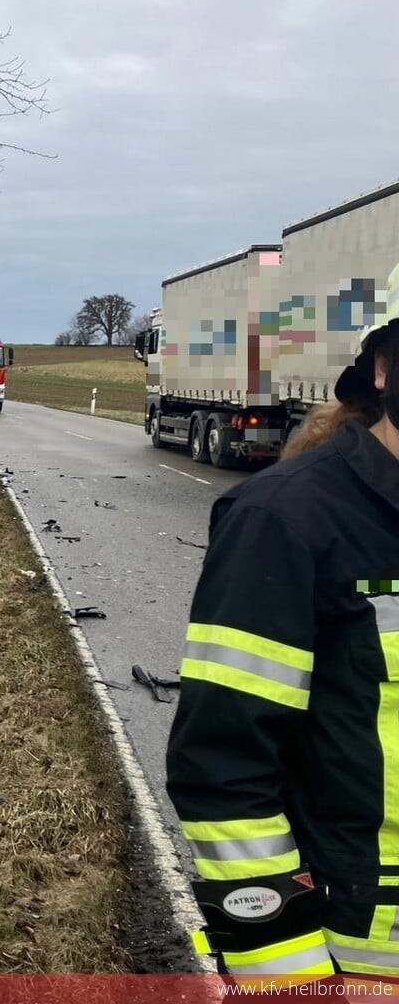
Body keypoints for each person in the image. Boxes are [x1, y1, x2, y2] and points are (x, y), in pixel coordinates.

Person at [166, 313, 399, 988]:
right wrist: (287, 980)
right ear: (383, 368)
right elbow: (222, 768)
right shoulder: (285, 521)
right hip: (360, 963)